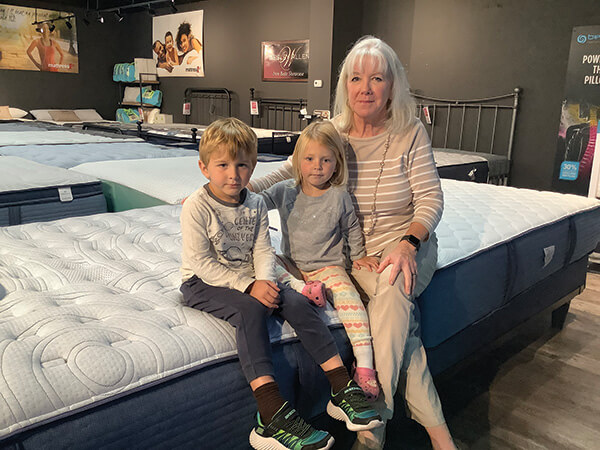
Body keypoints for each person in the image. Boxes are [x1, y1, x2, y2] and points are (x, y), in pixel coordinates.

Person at [248, 36, 457, 450]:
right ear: (345, 85)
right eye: (356, 78)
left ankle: (371, 430)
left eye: (377, 78)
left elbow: (431, 198)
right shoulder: (333, 134)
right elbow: (289, 174)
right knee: (402, 328)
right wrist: (237, 193)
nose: (365, 88)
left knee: (395, 293)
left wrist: (407, 244)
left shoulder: (409, 132)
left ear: (391, 86)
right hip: (355, 257)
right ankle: (440, 437)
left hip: (404, 247)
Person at [179, 117, 383, 450]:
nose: (233, 174)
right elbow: (201, 263)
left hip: (249, 274)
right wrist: (250, 287)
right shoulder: (198, 207)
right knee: (251, 309)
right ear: (204, 168)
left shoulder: (256, 203)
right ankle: (271, 413)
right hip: (202, 281)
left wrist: (264, 280)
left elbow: (263, 249)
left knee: (298, 302)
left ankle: (341, 387)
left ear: (254, 166)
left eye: (242, 165)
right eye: (223, 165)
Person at [258, 120, 381, 401]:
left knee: (352, 303)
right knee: (265, 263)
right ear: (297, 161)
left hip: (328, 267)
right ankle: (303, 291)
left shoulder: (339, 197)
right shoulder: (285, 190)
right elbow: (256, 202)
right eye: (310, 159)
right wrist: (224, 197)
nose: (317, 166)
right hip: (292, 266)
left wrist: (359, 257)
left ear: (336, 164)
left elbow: (352, 229)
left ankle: (364, 366)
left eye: (326, 160)